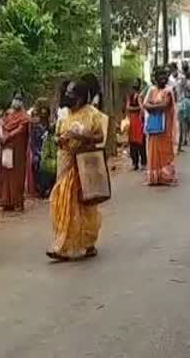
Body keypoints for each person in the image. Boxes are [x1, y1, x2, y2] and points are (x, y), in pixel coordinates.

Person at [47, 79, 108, 261]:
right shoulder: (64, 114)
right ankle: (62, 245)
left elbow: (100, 136)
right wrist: (60, 140)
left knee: (85, 205)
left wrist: (81, 135)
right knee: (63, 201)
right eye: (68, 94)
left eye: (73, 96)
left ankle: (88, 242)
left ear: (81, 98)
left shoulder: (92, 114)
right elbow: (57, 135)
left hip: (84, 164)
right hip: (66, 162)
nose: (69, 98)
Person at [0, 92, 31, 211]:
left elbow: (21, 130)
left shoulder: (25, 117)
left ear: (22, 102)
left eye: (19, 99)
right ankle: (6, 201)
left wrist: (8, 136)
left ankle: (17, 202)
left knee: (17, 176)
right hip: (6, 149)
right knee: (5, 174)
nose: (17, 101)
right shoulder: (9, 115)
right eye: (15, 99)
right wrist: (2, 133)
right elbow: (2, 124)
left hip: (18, 152)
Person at [144, 67, 178, 186]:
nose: (163, 78)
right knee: (153, 150)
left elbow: (165, 105)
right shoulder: (152, 90)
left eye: (165, 75)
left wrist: (153, 105)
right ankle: (155, 177)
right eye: (160, 75)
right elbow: (145, 104)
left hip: (166, 128)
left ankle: (166, 177)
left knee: (165, 151)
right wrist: (155, 106)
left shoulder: (169, 91)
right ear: (155, 78)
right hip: (154, 127)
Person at [125, 78, 147, 170]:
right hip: (134, 120)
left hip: (138, 120)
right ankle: (135, 162)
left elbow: (141, 108)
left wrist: (134, 108)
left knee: (140, 142)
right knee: (134, 142)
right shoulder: (131, 96)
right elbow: (128, 107)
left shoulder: (140, 96)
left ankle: (141, 162)